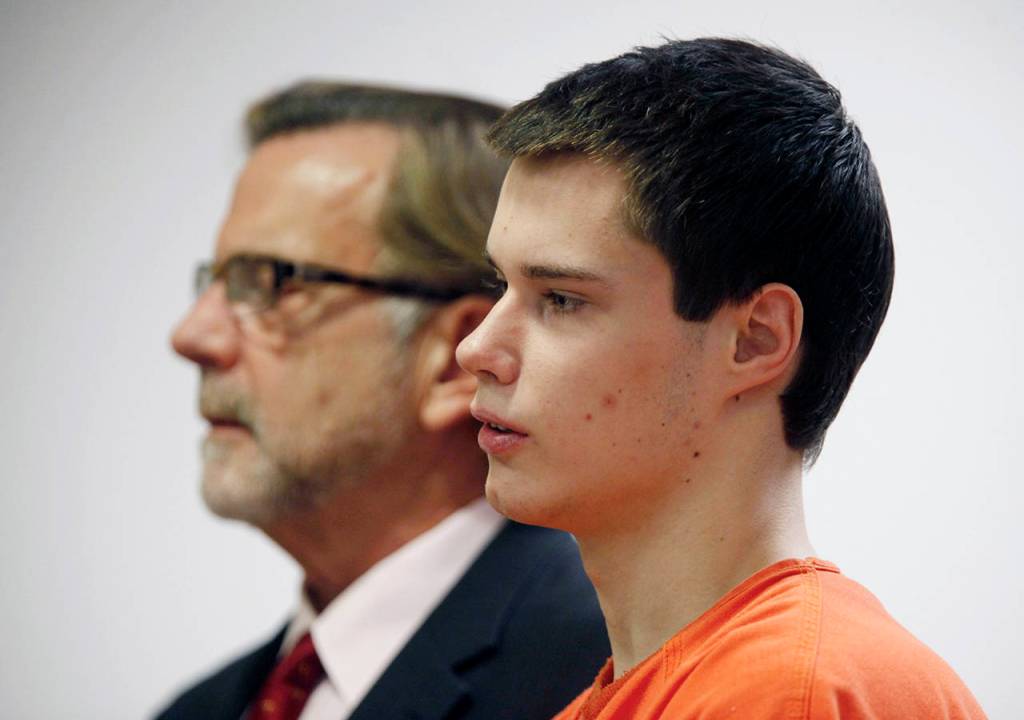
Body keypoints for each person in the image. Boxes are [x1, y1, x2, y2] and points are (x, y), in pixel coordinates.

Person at [456, 38, 986, 719]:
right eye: (499, 285)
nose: (477, 348)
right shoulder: (690, 688)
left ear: (755, 340)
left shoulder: (789, 694)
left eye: (561, 299)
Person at [158, 82, 608, 720]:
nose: (192, 336)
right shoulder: (199, 710)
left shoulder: (608, 682)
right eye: (219, 280)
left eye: (272, 283)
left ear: (455, 357)